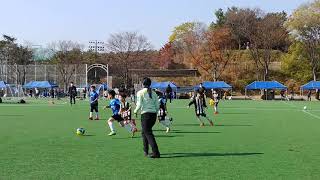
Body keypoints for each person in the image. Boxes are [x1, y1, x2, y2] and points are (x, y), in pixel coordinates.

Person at [134, 77, 160, 158]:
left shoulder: (140, 92)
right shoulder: (154, 93)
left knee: (148, 133)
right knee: (144, 132)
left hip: (145, 115)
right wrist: (155, 111)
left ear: (142, 84)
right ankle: (145, 150)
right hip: (153, 115)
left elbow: (139, 104)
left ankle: (156, 152)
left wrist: (135, 111)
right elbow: (157, 105)